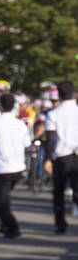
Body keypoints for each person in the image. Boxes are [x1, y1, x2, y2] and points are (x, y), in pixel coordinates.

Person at [0, 93, 30, 238]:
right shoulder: (20, 124)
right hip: (18, 167)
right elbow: (27, 144)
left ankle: (13, 227)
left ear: (0, 106)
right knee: (5, 197)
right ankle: (5, 225)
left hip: (1, 169)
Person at [44, 80, 78, 233]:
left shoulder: (53, 114)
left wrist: (47, 159)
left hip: (61, 156)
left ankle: (60, 224)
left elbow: (50, 139)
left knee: (59, 192)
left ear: (59, 94)